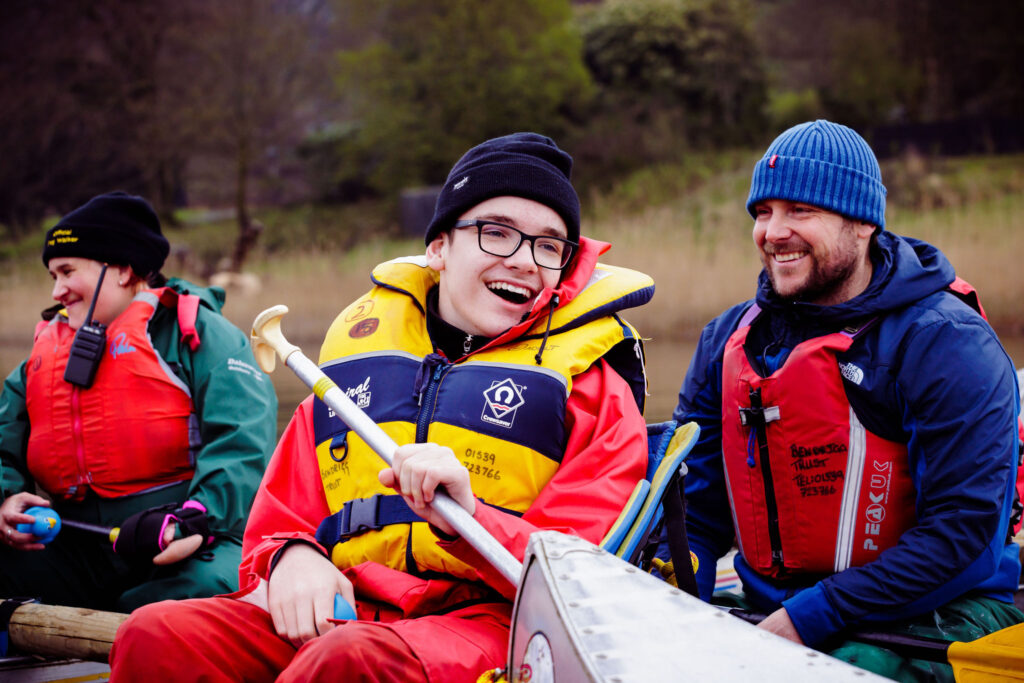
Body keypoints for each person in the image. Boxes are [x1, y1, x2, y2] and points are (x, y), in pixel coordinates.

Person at [109, 132, 652, 682]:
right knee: (152, 635)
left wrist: (469, 519)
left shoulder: (594, 390)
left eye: (548, 245)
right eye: (497, 234)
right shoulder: (351, 366)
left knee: (351, 659)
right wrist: (292, 557)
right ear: (438, 247)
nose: (523, 261)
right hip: (352, 605)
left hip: (497, 625)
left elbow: (578, 575)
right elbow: (279, 520)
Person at [669, 119, 1023, 681]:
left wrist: (810, 617)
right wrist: (675, 595)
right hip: (775, 610)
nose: (773, 232)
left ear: (862, 224)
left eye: (799, 211)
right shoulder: (726, 340)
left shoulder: (944, 341)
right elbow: (695, 509)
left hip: (938, 609)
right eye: (762, 213)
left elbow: (963, 533)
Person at [0, 191, 278, 612]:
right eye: (52, 276)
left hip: (188, 541)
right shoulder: (43, 356)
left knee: (195, 590)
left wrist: (196, 517)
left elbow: (243, 443)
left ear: (123, 270)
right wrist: (5, 499)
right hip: (77, 547)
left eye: (67, 271)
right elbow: (4, 445)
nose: (57, 290)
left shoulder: (203, 337)